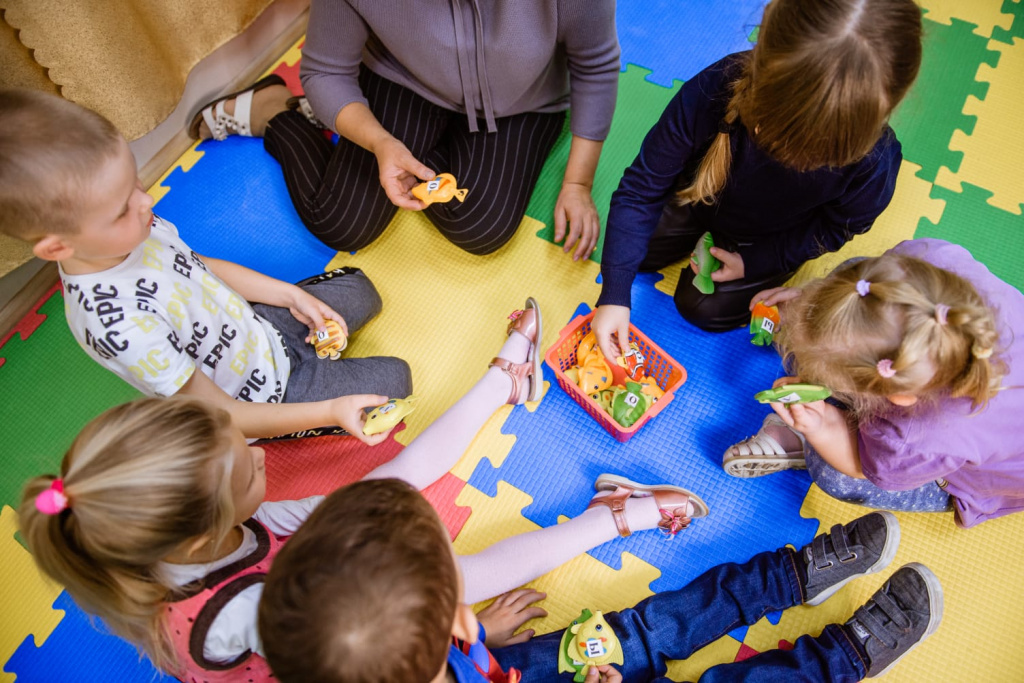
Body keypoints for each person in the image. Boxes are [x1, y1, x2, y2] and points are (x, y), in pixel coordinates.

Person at [19, 298, 709, 681]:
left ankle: (501, 380)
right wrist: (450, 629)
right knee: (450, 576)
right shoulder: (245, 610)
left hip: (286, 570)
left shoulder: (171, 532)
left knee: (387, 484)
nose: (261, 452)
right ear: (205, 531)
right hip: (329, 649)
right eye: (247, 461)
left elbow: (370, 492)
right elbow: (362, 647)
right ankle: (610, 517)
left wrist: (327, 415)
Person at [0, 88, 411, 441]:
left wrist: (291, 296)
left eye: (136, 184)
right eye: (120, 209)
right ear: (56, 248)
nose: (145, 203)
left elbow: (198, 267)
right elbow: (223, 415)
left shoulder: (135, 223)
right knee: (397, 379)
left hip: (260, 328)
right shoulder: (118, 326)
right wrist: (328, 413)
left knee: (361, 290)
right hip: (265, 396)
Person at [259, 478, 943, 682]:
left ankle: (789, 576)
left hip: (504, 670)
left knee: (651, 626)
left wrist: (476, 648)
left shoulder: (359, 656)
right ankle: (843, 658)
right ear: (454, 617)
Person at [592, 0, 922, 351]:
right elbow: (642, 188)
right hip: (699, 194)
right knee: (628, 253)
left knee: (702, 308)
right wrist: (613, 294)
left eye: (817, 155)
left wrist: (758, 260)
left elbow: (833, 228)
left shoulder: (874, 162)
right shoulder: (717, 87)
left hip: (767, 237)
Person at [190, 0, 619, 260]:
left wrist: (578, 183)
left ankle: (364, 126)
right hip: (406, 79)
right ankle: (275, 112)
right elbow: (325, 69)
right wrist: (379, 141)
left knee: (481, 227)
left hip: (522, 98)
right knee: (342, 223)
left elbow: (596, 66)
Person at [722, 239, 1024, 528]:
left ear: (899, 396)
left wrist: (820, 426)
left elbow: (860, 468)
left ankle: (801, 444)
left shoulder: (915, 438)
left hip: (970, 478)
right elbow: (873, 301)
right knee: (856, 270)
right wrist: (814, 303)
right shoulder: (930, 257)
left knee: (833, 476)